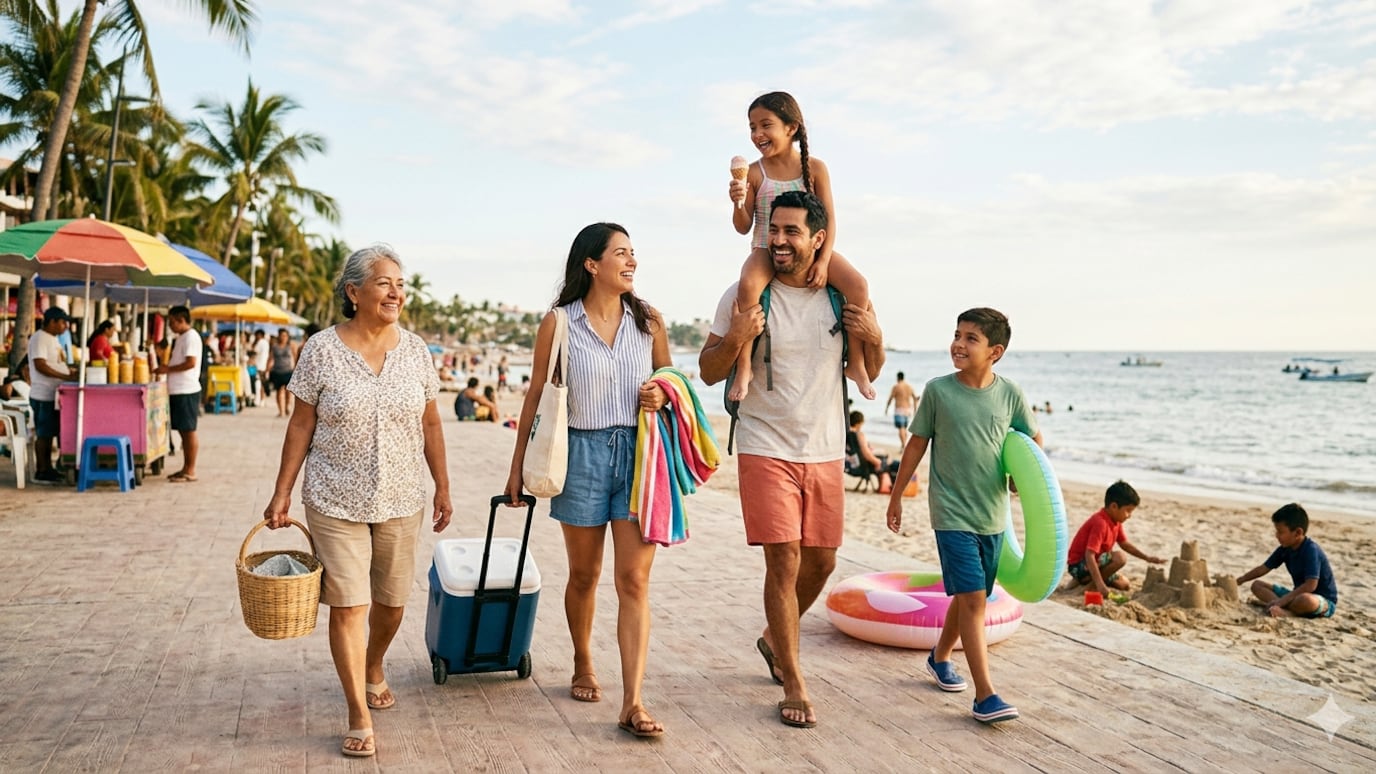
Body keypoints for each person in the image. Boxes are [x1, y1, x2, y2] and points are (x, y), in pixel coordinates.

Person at [700, 190, 885, 729]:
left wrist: (875, 338)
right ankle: (794, 676)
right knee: (783, 560)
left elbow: (871, 361)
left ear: (818, 239)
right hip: (764, 442)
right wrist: (737, 335)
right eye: (773, 231)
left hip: (826, 447)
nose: (779, 241)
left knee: (822, 562)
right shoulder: (742, 294)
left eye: (792, 232)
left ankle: (771, 638)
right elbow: (711, 371)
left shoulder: (837, 296)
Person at [263, 245, 452, 758]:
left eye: (400, 284)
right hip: (334, 497)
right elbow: (301, 423)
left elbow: (430, 422)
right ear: (354, 292)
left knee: (391, 604)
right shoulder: (322, 350)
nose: (396, 292)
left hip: (400, 496)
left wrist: (443, 485)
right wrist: (282, 493)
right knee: (350, 605)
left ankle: (374, 665)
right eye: (384, 283)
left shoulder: (415, 351)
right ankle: (357, 711)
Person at [504, 223, 672, 738]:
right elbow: (535, 397)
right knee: (584, 575)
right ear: (591, 265)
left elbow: (672, 380)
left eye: (633, 252)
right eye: (620, 253)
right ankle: (582, 659)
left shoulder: (649, 321)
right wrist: (516, 469)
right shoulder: (558, 323)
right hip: (578, 452)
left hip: (639, 455)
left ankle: (634, 701)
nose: (632, 261)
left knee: (635, 580)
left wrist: (661, 394)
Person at [885, 307, 1039, 724]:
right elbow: (916, 446)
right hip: (950, 512)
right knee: (973, 598)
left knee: (970, 594)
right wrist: (897, 495)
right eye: (957, 334)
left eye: (971, 338)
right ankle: (984, 695)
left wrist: (1018, 480)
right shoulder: (938, 391)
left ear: (996, 352)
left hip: (992, 516)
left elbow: (1030, 442)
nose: (959, 343)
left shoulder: (1010, 395)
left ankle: (939, 657)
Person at [726, 91, 874, 403]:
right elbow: (743, 226)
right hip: (765, 249)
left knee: (859, 286)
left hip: (812, 250)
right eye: (752, 127)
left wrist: (822, 262)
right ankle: (743, 368)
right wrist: (737, 201)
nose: (757, 134)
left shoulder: (816, 168)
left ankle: (857, 364)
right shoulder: (754, 172)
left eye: (766, 125)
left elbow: (829, 220)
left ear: (791, 127)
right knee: (748, 285)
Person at [1236, 503, 1338, 619]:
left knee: (1304, 599)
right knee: (1257, 585)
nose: (1276, 536)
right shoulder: (1284, 549)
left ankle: (1286, 612)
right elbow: (1263, 569)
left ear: (1298, 533)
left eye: (1280, 532)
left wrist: (1281, 601)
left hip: (1320, 601)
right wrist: (1241, 580)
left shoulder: (1311, 550)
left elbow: (1311, 585)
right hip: (1296, 595)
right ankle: (1279, 606)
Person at [1066, 480, 1165, 598]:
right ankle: (1090, 585)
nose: (1129, 516)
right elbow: (1089, 555)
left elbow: (1125, 544)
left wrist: (1147, 558)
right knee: (1120, 557)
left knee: (1125, 584)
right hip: (1080, 565)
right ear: (1114, 506)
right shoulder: (1100, 523)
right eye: (1127, 511)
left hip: (1096, 563)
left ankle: (1082, 582)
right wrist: (1100, 585)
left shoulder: (1115, 522)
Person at [155, 306, 202, 483]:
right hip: (178, 389)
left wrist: (168, 369)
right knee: (183, 430)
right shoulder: (182, 338)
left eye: (172, 321)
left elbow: (190, 363)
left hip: (186, 389)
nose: (170, 325)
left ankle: (190, 469)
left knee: (189, 430)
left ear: (181, 319)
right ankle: (185, 467)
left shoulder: (191, 337)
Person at [26, 307, 72, 484]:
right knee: (44, 434)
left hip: (53, 394)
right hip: (42, 393)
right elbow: (40, 365)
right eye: (62, 322)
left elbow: (57, 362)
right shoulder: (39, 338)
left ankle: (49, 467)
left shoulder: (54, 339)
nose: (65, 326)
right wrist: (65, 376)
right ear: (52, 321)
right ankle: (41, 469)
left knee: (51, 432)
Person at [847, 411, 897, 493]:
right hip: (865, 466)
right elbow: (866, 454)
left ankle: (888, 486)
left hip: (854, 465)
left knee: (887, 458)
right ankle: (895, 488)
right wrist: (877, 462)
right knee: (896, 464)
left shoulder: (847, 434)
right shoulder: (858, 434)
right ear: (858, 423)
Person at [884, 371, 918, 447]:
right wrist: (915, 411)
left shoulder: (896, 387)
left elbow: (890, 398)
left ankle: (903, 445)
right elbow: (915, 399)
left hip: (899, 410)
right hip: (908, 410)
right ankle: (904, 444)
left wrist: (886, 408)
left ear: (897, 378)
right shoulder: (909, 387)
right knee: (904, 428)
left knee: (901, 428)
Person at [268, 328, 297, 417]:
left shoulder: (291, 345)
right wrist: (267, 370)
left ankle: (287, 406)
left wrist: (296, 370)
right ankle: (281, 411)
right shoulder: (274, 346)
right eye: (281, 335)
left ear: (287, 337)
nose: (283, 337)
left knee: (288, 392)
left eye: (285, 335)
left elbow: (296, 357)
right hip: (277, 371)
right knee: (279, 391)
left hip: (288, 371)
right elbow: (270, 358)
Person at [250, 329, 270, 402]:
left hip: (259, 365)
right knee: (262, 383)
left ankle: (260, 399)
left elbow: (254, 352)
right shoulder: (266, 342)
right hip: (264, 364)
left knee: (259, 383)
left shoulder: (260, 342)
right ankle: (262, 399)